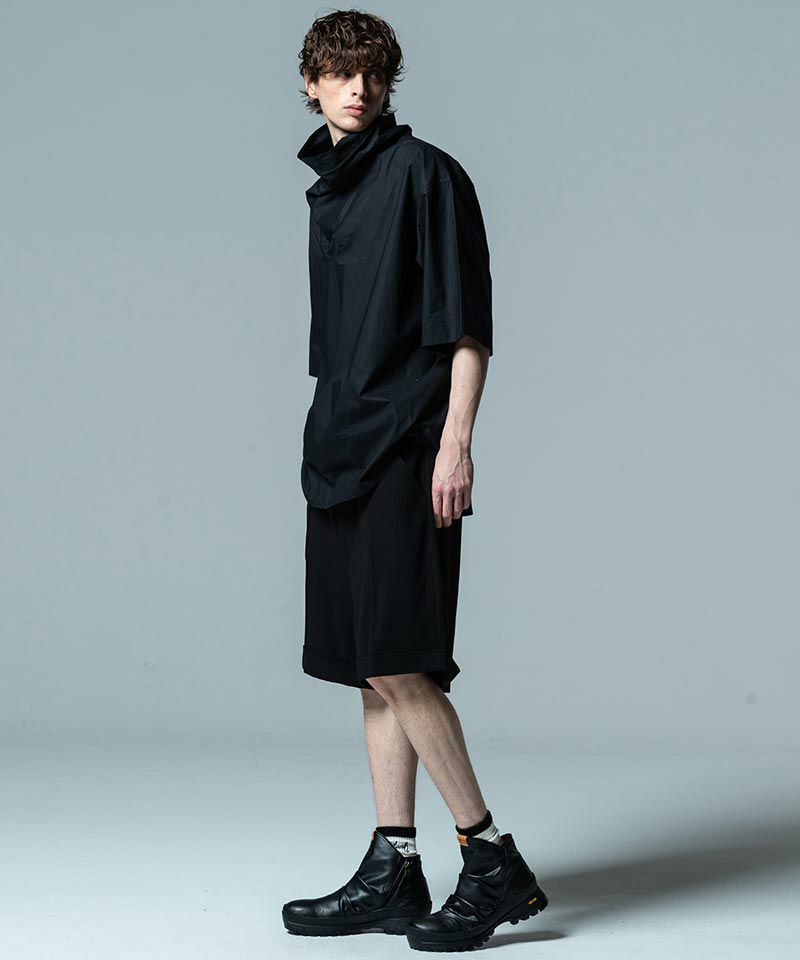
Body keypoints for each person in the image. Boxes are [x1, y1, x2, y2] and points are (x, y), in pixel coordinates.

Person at [282, 10, 549, 952]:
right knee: (370, 668)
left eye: (373, 73)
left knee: (402, 658)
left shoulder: (427, 174)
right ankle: (395, 866)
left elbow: (468, 325)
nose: (358, 88)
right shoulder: (328, 190)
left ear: (389, 83)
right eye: (339, 72)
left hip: (408, 447)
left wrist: (455, 444)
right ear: (311, 83)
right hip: (338, 446)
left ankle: (492, 858)